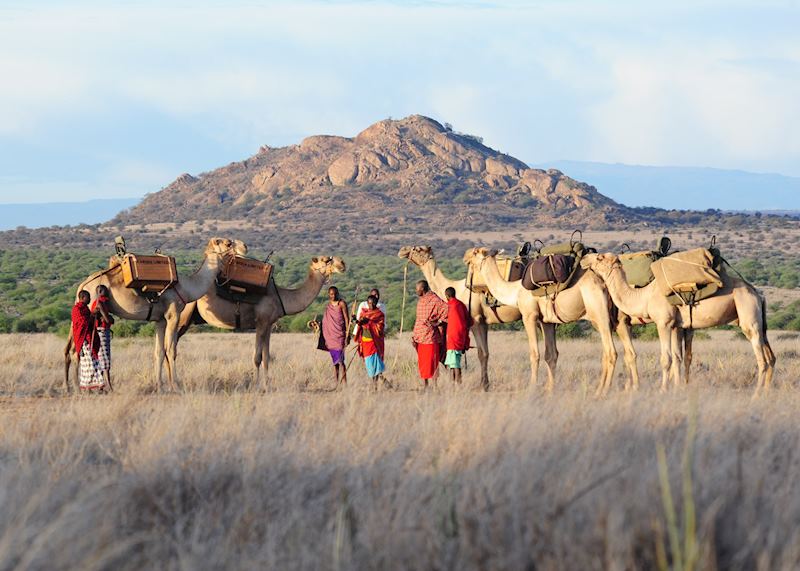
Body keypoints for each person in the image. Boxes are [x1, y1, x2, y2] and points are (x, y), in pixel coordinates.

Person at [411, 280, 448, 389]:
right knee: (423, 362)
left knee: (432, 362)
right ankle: (425, 385)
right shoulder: (421, 300)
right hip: (419, 337)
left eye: (417, 289)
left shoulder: (434, 299)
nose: (416, 291)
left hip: (430, 336)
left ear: (422, 289)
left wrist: (438, 322)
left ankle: (435, 386)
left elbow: (447, 309)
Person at [71, 290, 104, 392]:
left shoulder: (85, 308)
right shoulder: (77, 309)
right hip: (84, 340)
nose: (90, 299)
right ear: (83, 298)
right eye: (88, 297)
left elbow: (89, 321)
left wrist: (95, 315)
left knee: (94, 363)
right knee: (88, 365)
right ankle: (88, 387)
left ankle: (95, 387)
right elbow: (81, 323)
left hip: (90, 339)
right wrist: (92, 315)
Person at [354, 294, 386, 390]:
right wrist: (356, 320)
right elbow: (360, 323)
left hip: (374, 342)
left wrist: (369, 322)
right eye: (369, 303)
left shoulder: (379, 314)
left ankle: (375, 385)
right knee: (369, 364)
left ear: (376, 303)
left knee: (375, 364)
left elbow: (380, 328)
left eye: (373, 303)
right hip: (365, 342)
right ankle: (376, 383)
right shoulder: (364, 313)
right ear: (367, 303)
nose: (371, 305)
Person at [444, 286, 473, 385]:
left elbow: (443, 318)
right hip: (461, 337)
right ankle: (453, 384)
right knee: (454, 362)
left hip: (452, 338)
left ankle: (458, 384)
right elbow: (469, 321)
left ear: (447, 296)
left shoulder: (449, 306)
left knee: (454, 364)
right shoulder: (461, 305)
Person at [322, 286, 350, 387]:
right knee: (335, 362)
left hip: (340, 335)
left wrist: (348, 334)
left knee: (341, 361)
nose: (333, 296)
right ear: (328, 295)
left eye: (335, 294)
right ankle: (336, 383)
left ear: (338, 293)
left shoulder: (342, 303)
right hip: (331, 337)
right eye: (331, 294)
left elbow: (346, 318)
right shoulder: (328, 305)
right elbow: (326, 322)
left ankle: (345, 384)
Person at [91, 284, 115, 391]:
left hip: (104, 331)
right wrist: (108, 318)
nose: (108, 293)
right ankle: (108, 385)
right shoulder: (99, 303)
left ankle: (102, 385)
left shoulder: (103, 303)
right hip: (101, 332)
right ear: (100, 292)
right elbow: (108, 320)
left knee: (103, 358)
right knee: (105, 359)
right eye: (105, 291)